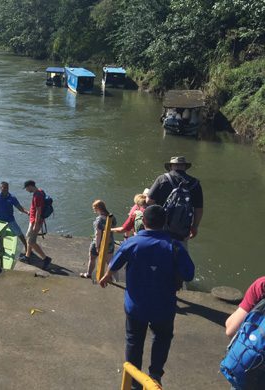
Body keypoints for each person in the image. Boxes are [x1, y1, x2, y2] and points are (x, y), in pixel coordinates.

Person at [99, 205, 195, 387]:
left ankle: (133, 381)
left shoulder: (132, 243)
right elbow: (189, 274)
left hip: (136, 306)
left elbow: (115, 263)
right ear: (165, 223)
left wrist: (106, 276)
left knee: (134, 341)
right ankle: (155, 375)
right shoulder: (174, 247)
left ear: (143, 222)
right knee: (162, 338)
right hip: (164, 307)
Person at [147, 156, 203, 246]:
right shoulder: (195, 183)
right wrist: (194, 227)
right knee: (179, 255)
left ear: (171, 166)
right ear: (184, 167)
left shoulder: (162, 179)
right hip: (182, 229)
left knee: (159, 253)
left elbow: (149, 201)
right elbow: (199, 210)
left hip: (161, 227)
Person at [19, 180, 52, 270]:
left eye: (26, 188)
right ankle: (27, 256)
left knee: (31, 241)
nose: (26, 190)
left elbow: (38, 210)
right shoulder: (40, 191)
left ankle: (45, 259)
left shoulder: (37, 195)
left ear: (30, 186)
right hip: (34, 220)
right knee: (29, 238)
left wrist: (36, 224)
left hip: (35, 221)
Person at [0, 181, 29, 252]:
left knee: (19, 233)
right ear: (0, 188)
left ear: (8, 188)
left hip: (10, 220)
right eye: (2, 188)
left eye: (6, 188)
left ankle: (26, 247)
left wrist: (27, 212)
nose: (4, 189)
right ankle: (0, 249)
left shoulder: (12, 198)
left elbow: (19, 207)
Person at [80, 200, 116, 279]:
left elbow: (98, 234)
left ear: (98, 208)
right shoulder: (112, 217)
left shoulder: (99, 220)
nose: (93, 210)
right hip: (109, 242)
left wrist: (97, 246)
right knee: (110, 262)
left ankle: (88, 274)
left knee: (92, 258)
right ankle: (111, 277)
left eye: (94, 208)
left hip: (99, 242)